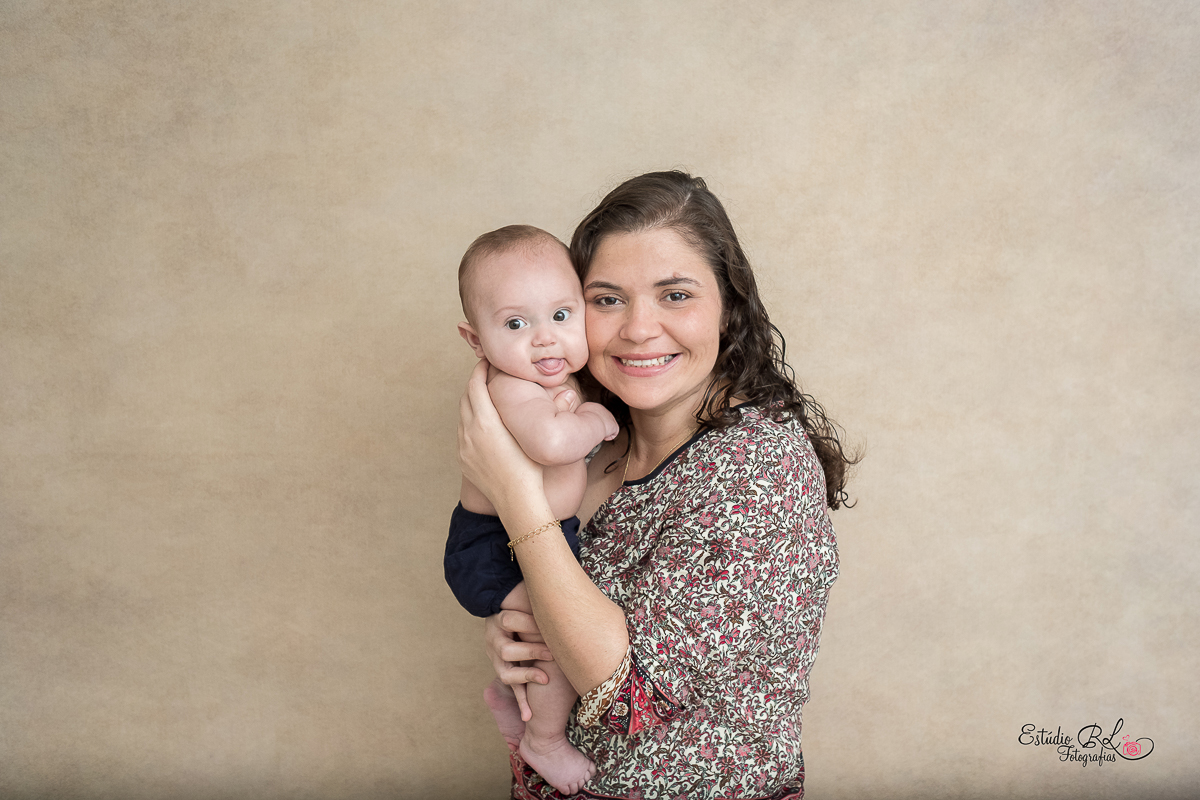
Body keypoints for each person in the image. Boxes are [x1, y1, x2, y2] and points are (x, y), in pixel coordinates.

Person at [456, 172, 855, 799]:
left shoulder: (757, 466)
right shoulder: (593, 438)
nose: (639, 329)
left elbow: (630, 697)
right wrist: (519, 631)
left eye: (675, 296)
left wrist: (514, 496)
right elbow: (559, 604)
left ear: (729, 306)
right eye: (607, 299)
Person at [447, 225, 619, 794]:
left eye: (562, 316)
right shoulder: (509, 386)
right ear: (477, 341)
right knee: (555, 634)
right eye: (516, 324)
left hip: (539, 535)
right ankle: (542, 741)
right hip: (494, 548)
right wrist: (594, 421)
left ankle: (508, 697)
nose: (545, 340)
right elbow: (551, 445)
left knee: (546, 630)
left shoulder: (557, 378)